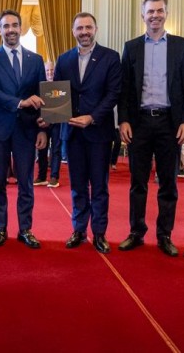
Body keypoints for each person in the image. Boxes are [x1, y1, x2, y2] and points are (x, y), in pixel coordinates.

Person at [117, 0, 184, 257]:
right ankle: (136, 232)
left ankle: (164, 235)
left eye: (159, 11)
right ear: (143, 16)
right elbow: (125, 88)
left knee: (168, 183)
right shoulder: (132, 47)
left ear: (166, 14)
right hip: (138, 123)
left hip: (169, 124)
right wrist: (123, 119)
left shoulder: (182, 46)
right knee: (138, 182)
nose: (155, 16)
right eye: (150, 12)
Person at [52, 13, 121, 254]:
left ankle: (100, 233)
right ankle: (79, 230)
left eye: (88, 27)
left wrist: (91, 117)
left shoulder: (111, 57)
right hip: (71, 133)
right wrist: (53, 115)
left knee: (100, 186)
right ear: (73, 31)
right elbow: (57, 95)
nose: (84, 31)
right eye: (79, 28)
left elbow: (113, 94)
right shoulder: (64, 59)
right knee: (78, 185)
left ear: (95, 29)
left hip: (98, 132)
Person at [0, 9, 48, 249]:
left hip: (28, 130)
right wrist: (20, 102)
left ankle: (25, 229)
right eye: (5, 26)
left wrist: (43, 129)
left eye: (14, 25)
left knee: (26, 182)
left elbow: (41, 95)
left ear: (20, 28)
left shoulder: (36, 59)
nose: (10, 30)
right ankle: (0, 227)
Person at [35, 60, 63, 188]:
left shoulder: (61, 86)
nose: (50, 73)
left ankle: (54, 177)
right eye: (47, 71)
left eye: (52, 70)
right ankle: (41, 177)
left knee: (56, 149)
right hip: (42, 124)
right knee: (41, 149)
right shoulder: (39, 87)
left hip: (57, 123)